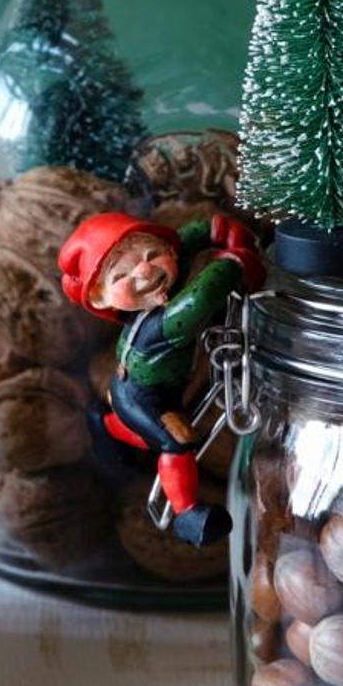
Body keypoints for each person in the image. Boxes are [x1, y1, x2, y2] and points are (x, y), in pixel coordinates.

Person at [58, 208, 265, 544]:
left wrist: (216, 228)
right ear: (101, 297)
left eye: (153, 253)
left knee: (144, 429)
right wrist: (233, 263)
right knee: (177, 439)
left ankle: (105, 423)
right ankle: (186, 515)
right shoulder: (164, 324)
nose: (144, 268)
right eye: (120, 276)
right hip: (144, 398)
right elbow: (198, 300)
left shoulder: (158, 282)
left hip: (129, 388)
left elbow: (186, 237)